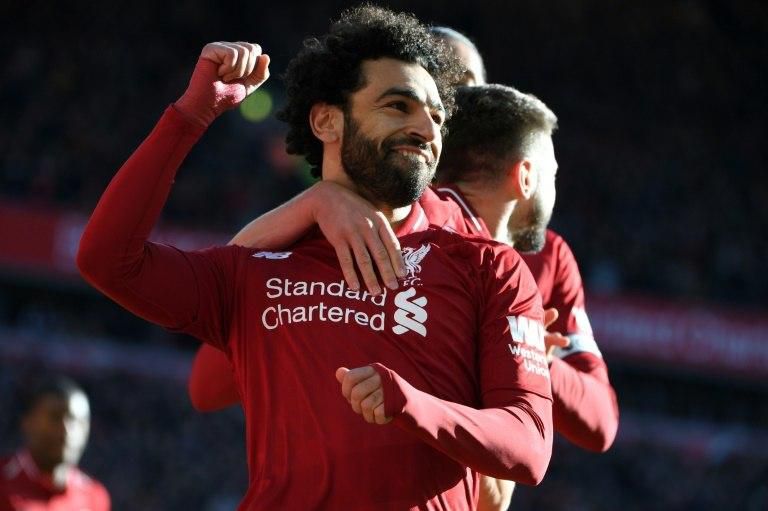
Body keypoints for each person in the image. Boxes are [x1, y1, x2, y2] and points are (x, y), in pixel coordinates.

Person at [77, 6, 554, 509]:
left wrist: (411, 404)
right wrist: (189, 117)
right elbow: (107, 260)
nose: (427, 129)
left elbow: (528, 445)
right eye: (399, 106)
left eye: (437, 116)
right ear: (327, 119)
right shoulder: (255, 266)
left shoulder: (488, 267)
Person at [193, 26, 618, 511]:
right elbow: (207, 383)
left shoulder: (538, 257)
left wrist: (530, 364)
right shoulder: (361, 225)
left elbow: (600, 422)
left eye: (457, 95)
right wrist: (316, 202)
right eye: (408, 98)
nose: (436, 113)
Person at [0, 376, 110, 511]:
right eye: (55, 417)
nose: (66, 430)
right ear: (28, 422)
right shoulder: (4, 482)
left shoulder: (94, 497)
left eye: (76, 421)